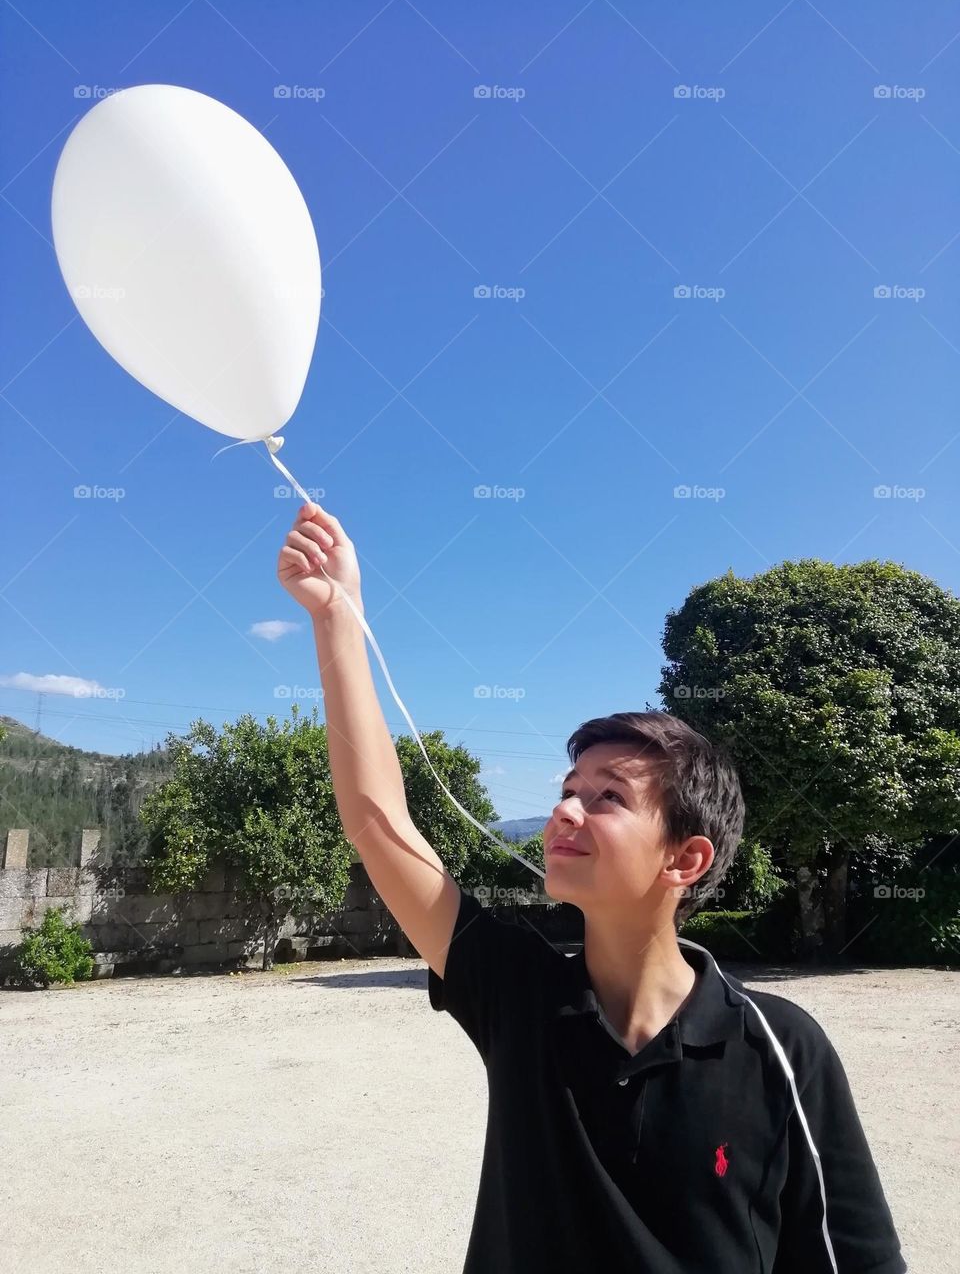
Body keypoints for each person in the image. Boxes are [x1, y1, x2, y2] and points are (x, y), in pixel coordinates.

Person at [277, 500, 908, 1274]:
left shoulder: (780, 1048)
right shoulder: (519, 992)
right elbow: (380, 827)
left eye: (608, 797)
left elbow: (858, 1260)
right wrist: (337, 617)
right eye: (567, 788)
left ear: (685, 860)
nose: (565, 809)